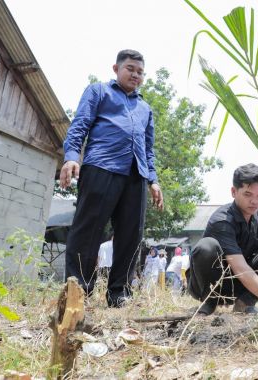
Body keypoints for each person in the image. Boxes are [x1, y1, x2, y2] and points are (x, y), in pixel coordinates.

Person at [60, 49, 164, 307]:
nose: (136, 75)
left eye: (140, 72)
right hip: (101, 167)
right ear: (116, 69)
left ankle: (119, 294)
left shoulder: (145, 108)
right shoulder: (98, 92)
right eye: (130, 69)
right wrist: (72, 156)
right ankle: (78, 293)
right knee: (88, 231)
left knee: (130, 236)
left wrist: (153, 179)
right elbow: (80, 124)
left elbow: (148, 148)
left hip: (135, 175)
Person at [187, 164, 258, 316]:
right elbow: (241, 269)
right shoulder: (222, 221)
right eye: (248, 194)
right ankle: (209, 302)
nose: (254, 202)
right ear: (233, 192)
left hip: (240, 283)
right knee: (206, 247)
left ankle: (245, 302)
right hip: (212, 283)